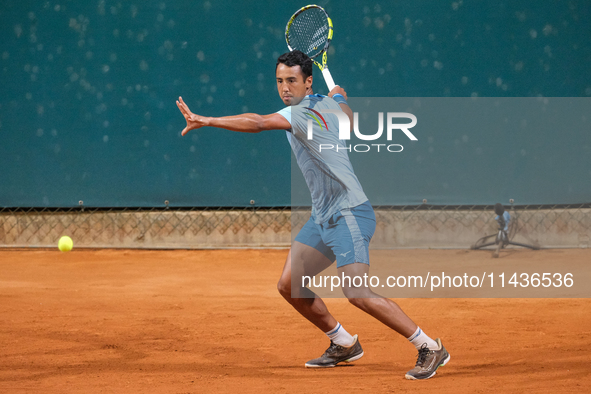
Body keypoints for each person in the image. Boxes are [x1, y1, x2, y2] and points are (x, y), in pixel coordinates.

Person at [176, 50, 450, 380]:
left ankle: (429, 347)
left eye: (292, 81)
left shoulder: (302, 112)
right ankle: (344, 342)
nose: (285, 88)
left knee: (357, 293)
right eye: (279, 81)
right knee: (290, 285)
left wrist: (208, 120)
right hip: (323, 217)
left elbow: (260, 123)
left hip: (349, 213)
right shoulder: (324, 102)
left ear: (307, 82)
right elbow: (347, 116)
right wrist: (338, 96)